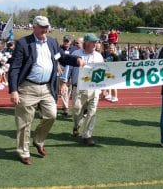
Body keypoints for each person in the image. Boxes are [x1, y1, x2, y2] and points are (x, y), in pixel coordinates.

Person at [8, 16, 84, 165]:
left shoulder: (52, 42)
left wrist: (76, 60)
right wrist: (14, 90)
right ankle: (23, 152)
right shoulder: (23, 43)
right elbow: (15, 68)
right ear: (34, 27)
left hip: (47, 87)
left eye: (47, 27)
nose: (45, 30)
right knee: (24, 122)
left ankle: (38, 140)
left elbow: (61, 57)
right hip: (28, 87)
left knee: (51, 115)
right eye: (42, 27)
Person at [60, 33, 105, 146]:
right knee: (76, 111)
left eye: (96, 42)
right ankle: (76, 125)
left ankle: (87, 135)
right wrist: (64, 82)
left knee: (92, 112)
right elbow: (68, 69)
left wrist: (104, 89)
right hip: (78, 88)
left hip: (94, 88)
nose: (95, 44)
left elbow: (103, 73)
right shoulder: (76, 54)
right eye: (92, 42)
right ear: (86, 42)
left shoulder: (99, 56)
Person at [59, 35, 76, 116]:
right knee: (63, 90)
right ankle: (65, 107)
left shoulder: (73, 50)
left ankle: (64, 105)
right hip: (61, 71)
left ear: (70, 41)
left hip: (70, 72)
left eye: (67, 41)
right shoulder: (59, 49)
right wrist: (58, 67)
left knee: (68, 91)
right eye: (65, 41)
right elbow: (55, 58)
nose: (66, 42)